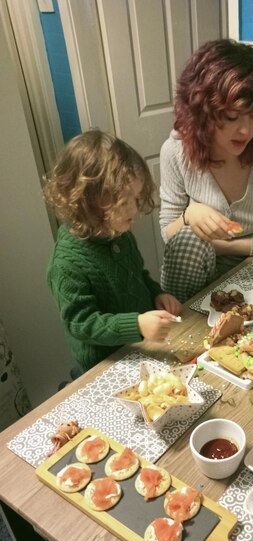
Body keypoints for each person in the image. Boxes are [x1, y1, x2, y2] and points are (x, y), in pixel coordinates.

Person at [159, 39, 253, 302]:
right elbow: (169, 233)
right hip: (192, 275)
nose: (245, 130)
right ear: (202, 111)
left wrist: (214, 246)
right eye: (232, 117)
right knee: (187, 240)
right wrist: (189, 215)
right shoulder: (175, 151)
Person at [45, 130, 181, 373]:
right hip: (103, 366)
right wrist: (137, 324)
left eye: (137, 199)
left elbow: (138, 275)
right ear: (88, 202)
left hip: (138, 349)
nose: (135, 209)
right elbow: (82, 323)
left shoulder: (120, 235)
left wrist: (156, 294)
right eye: (125, 201)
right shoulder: (66, 264)